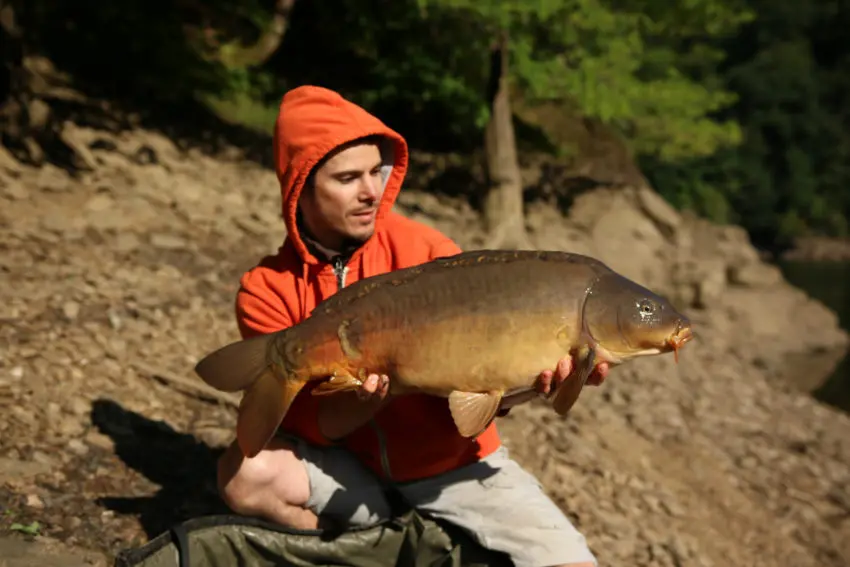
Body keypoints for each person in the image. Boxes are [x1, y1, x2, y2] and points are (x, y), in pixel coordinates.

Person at [216, 85, 609, 567]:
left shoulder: (427, 253)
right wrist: (373, 398)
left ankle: (419, 541)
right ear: (300, 187)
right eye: (346, 178)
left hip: (456, 468)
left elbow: (481, 393)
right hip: (351, 467)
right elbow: (313, 429)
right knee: (244, 474)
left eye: (375, 172)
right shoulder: (267, 289)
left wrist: (534, 387)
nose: (370, 191)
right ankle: (351, 555)